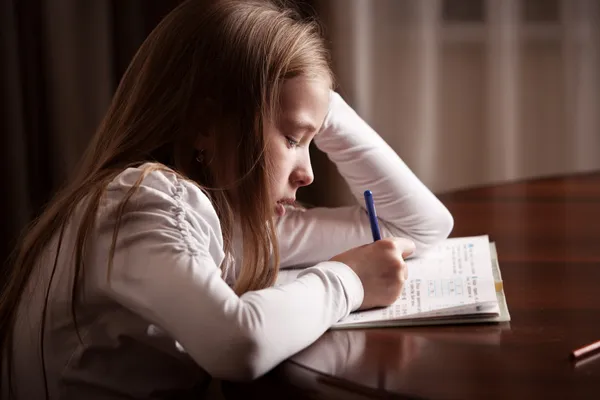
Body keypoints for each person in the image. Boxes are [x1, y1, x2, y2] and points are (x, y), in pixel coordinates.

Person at [0, 0, 453, 398]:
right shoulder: (139, 204)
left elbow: (421, 229)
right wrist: (349, 280)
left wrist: (320, 103)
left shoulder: (229, 213)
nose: (309, 173)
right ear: (204, 124)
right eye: (293, 138)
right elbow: (237, 344)